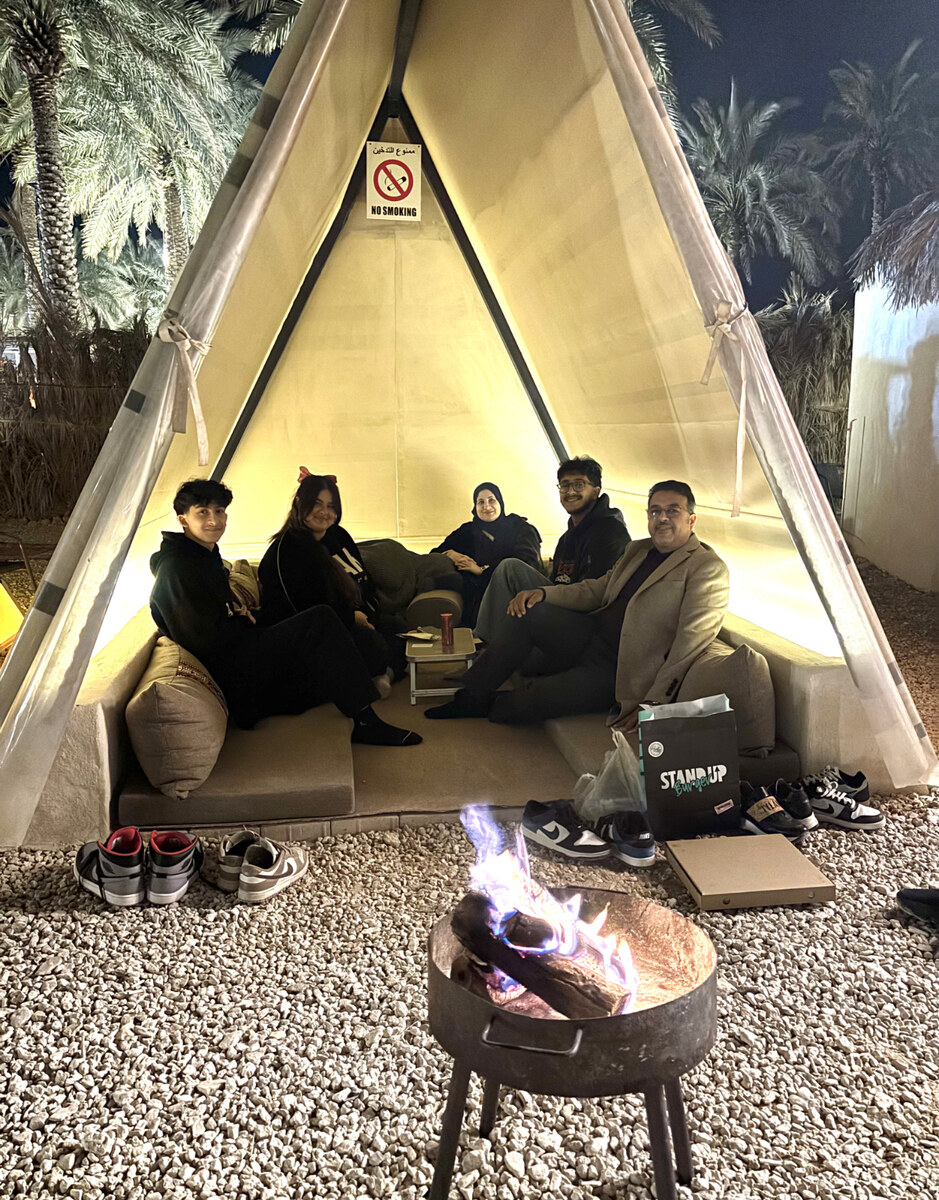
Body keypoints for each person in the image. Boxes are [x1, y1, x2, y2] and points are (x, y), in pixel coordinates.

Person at [426, 480, 728, 727]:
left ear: (691, 518)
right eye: (655, 510)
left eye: (672, 511)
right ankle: (473, 694)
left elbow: (690, 643)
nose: (662, 518)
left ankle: (497, 703)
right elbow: (597, 589)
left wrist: (656, 702)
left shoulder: (706, 568)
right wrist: (544, 593)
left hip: (620, 667)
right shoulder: (638, 550)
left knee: (529, 701)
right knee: (530, 611)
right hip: (589, 634)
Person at [150, 479, 421, 746]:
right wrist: (243, 622)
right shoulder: (177, 569)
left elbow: (215, 617)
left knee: (348, 649)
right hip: (236, 677)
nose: (214, 520)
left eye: (219, 511)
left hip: (242, 652)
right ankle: (365, 722)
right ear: (183, 519)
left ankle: (363, 699)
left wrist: (244, 615)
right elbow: (206, 642)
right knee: (321, 621)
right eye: (202, 512)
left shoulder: (202, 555)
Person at [258, 473, 405, 686]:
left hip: (355, 616)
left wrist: (369, 611)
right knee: (374, 646)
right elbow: (308, 609)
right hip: (320, 633)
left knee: (399, 628)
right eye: (317, 504)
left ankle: (384, 673)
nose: (324, 512)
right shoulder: (288, 550)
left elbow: (364, 578)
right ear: (300, 503)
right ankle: (380, 674)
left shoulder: (338, 535)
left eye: (331, 506)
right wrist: (353, 617)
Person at [473, 456, 630, 644]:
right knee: (510, 569)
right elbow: (557, 582)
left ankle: (492, 649)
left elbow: (598, 594)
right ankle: (487, 643)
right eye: (565, 485)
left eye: (579, 485)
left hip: (587, 618)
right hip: (561, 602)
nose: (570, 491)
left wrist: (544, 595)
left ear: (596, 491)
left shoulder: (610, 532)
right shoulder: (566, 538)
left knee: (510, 568)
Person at [432, 482, 542, 628]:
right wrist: (451, 554)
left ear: (500, 502)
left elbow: (527, 563)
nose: (486, 506)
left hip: (514, 593)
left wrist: (481, 571)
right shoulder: (467, 531)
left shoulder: (519, 528)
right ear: (474, 506)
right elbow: (434, 555)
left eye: (491, 500)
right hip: (475, 598)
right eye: (480, 502)